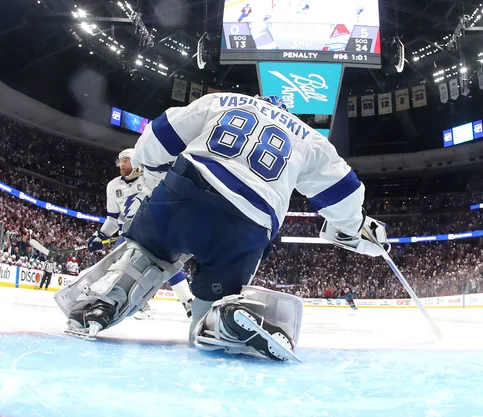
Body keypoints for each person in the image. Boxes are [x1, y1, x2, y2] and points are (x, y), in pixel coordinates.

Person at [55, 93, 389, 362]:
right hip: (249, 221)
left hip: (184, 191)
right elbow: (342, 192)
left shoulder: (223, 99)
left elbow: (156, 137)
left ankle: (104, 302)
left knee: (146, 255)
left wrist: (158, 180)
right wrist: (355, 227)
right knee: (204, 316)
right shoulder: (310, 139)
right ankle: (222, 318)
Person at [86, 148, 194, 319]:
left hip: (153, 230)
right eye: (120, 160)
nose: (121, 164)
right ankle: (138, 304)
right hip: (128, 234)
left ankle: (188, 301)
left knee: (167, 265)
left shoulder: (152, 179)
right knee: (117, 268)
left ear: (137, 162)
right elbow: (113, 219)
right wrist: (101, 235)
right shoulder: (113, 186)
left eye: (126, 160)